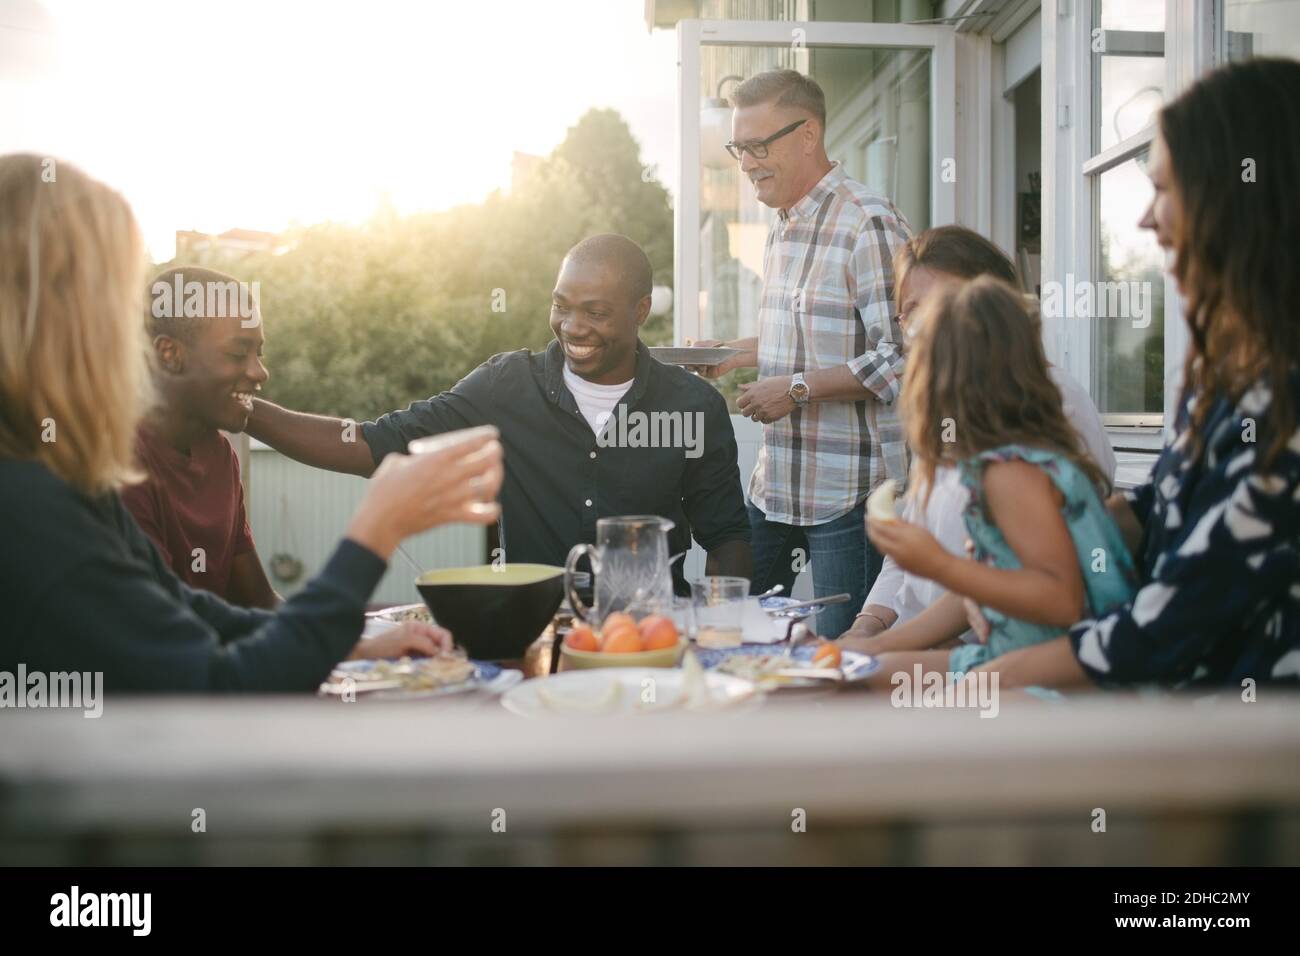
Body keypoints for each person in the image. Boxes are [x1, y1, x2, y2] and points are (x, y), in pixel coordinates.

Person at [0, 154, 504, 692]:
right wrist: (375, 529)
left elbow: (194, 612)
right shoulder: (31, 506)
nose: (128, 333)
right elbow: (218, 682)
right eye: (116, 304)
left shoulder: (65, 480)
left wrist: (354, 639)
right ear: (57, 320)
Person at [969, 58, 1300, 690]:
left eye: (1168, 188)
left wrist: (977, 685)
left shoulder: (1284, 399)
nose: (1147, 219)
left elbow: (1164, 631)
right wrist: (1031, 542)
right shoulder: (1229, 379)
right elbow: (1167, 506)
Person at [247, 234, 752, 593]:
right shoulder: (507, 386)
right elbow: (371, 443)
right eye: (561, 306)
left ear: (640, 311)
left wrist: (721, 627)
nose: (572, 327)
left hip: (651, 637)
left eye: (595, 312)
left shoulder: (694, 406)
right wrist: (246, 411)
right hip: (536, 636)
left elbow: (727, 536)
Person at [691, 69, 912, 637]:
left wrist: (795, 390)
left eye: (759, 146)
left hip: (850, 495)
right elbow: (817, 336)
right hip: (777, 485)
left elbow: (904, 355)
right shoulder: (781, 224)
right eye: (739, 147)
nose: (747, 162)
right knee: (736, 633)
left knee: (844, 656)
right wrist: (734, 353)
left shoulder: (869, 223)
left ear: (808, 134)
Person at [839, 226, 1115, 651]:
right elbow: (914, 550)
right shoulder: (948, 416)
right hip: (927, 645)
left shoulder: (1047, 410)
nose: (927, 326)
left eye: (945, 306)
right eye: (910, 311)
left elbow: (1038, 580)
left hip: (992, 653)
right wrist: (868, 626)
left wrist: (888, 651)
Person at [862, 277, 1139, 687]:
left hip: (1047, 679)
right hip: (1006, 656)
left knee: (863, 701)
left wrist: (939, 564)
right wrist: (875, 647)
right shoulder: (1012, 460)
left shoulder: (1012, 473)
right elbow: (988, 586)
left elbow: (1061, 600)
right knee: (858, 676)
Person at [120, 266, 277, 608]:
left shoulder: (219, 453)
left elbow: (260, 601)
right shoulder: (120, 463)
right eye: (238, 354)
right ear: (169, 354)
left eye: (259, 353)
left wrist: (354, 638)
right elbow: (161, 625)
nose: (259, 371)